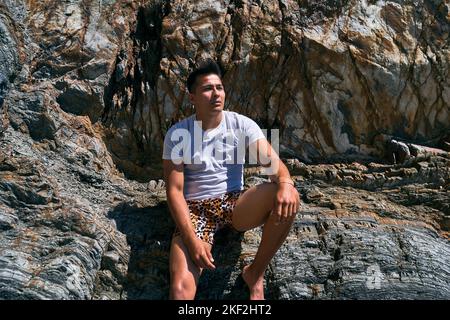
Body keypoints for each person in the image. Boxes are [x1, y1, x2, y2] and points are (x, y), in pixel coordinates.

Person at [162, 59, 300, 300]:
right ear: (192, 97)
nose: (216, 94)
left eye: (220, 87)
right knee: (180, 291)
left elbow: (275, 167)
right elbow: (174, 191)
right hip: (196, 211)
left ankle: (255, 273)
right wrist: (192, 240)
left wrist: (286, 183)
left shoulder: (241, 124)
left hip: (233, 203)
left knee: (288, 194)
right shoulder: (178, 134)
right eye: (207, 88)